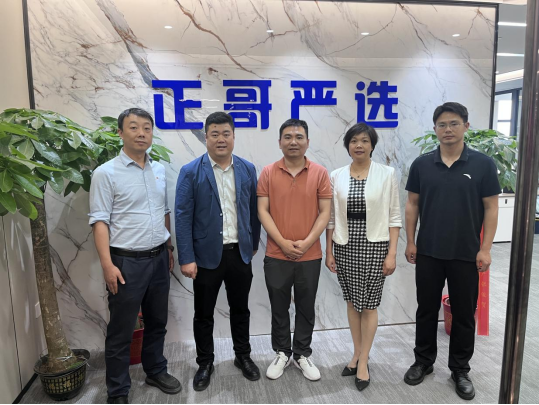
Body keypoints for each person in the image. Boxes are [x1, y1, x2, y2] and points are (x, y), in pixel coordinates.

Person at [403, 102, 500, 401]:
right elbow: (412, 204)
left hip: (466, 253)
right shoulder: (421, 164)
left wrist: (486, 248)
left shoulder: (483, 164)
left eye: (454, 123)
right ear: (435, 129)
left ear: (466, 126)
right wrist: (410, 241)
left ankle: (460, 369)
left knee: (464, 314)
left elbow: (491, 208)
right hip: (429, 252)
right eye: (442, 124)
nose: (448, 129)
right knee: (426, 309)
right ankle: (423, 361)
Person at [89, 108, 182, 405]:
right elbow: (99, 221)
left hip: (158, 259)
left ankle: (155, 370)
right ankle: (117, 391)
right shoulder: (105, 173)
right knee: (121, 330)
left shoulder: (158, 170)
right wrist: (107, 265)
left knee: (157, 322)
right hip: (126, 262)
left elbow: (164, 212)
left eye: (146, 128)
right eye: (133, 127)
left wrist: (169, 248)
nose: (141, 133)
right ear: (120, 132)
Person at [175, 112, 262, 392]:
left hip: (239, 253)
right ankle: (205, 363)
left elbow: (253, 210)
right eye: (214, 134)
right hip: (205, 257)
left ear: (234, 136)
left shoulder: (247, 168)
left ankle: (243, 356)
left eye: (226, 133)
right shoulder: (191, 171)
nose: (220, 139)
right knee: (203, 314)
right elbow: (182, 216)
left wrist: (253, 242)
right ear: (206, 137)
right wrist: (186, 257)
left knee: (241, 309)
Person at [325, 123, 401, 391]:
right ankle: (356, 353)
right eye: (354, 140)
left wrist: (392, 253)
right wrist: (329, 251)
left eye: (365, 141)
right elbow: (331, 218)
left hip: (375, 246)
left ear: (372, 145)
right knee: (351, 301)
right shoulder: (336, 175)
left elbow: (394, 216)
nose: (359, 145)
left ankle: (364, 360)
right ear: (348, 145)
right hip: (345, 246)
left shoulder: (387, 173)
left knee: (369, 305)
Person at [257, 118, 332, 382]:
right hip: (276, 254)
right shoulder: (268, 172)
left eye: (299, 137)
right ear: (280, 142)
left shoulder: (320, 173)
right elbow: (262, 211)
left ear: (307, 142)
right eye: (288, 137)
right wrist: (282, 242)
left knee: (306, 306)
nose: (293, 142)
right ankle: (282, 352)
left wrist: (308, 242)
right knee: (279, 307)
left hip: (309, 255)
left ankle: (302, 353)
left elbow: (325, 212)